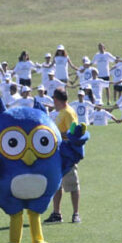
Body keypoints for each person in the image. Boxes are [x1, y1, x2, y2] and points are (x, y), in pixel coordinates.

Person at [45, 88, 80, 224]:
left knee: (72, 183)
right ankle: (56, 213)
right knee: (57, 184)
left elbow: (74, 133)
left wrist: (57, 135)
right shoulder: (59, 112)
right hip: (57, 153)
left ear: (57, 99)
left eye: (53, 98)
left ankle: (76, 213)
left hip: (67, 154)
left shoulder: (69, 113)